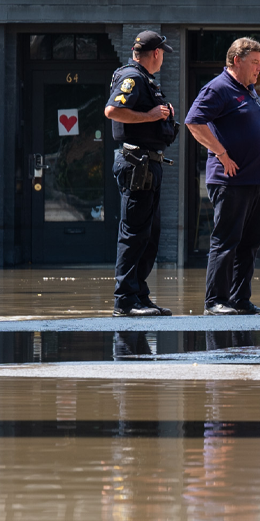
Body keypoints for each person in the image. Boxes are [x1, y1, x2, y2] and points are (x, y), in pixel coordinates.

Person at [185, 37, 260, 315]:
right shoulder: (219, 88)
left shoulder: (248, 90)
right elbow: (193, 122)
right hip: (230, 180)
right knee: (226, 241)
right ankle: (215, 301)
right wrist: (222, 154)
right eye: (255, 63)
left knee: (249, 243)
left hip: (252, 179)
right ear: (237, 60)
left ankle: (239, 299)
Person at [104, 30, 179, 316]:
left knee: (149, 233)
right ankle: (124, 301)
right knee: (134, 233)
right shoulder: (132, 78)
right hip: (137, 163)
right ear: (157, 53)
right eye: (163, 54)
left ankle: (138, 294)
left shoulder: (144, 80)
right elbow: (112, 110)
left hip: (149, 164)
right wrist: (149, 116)